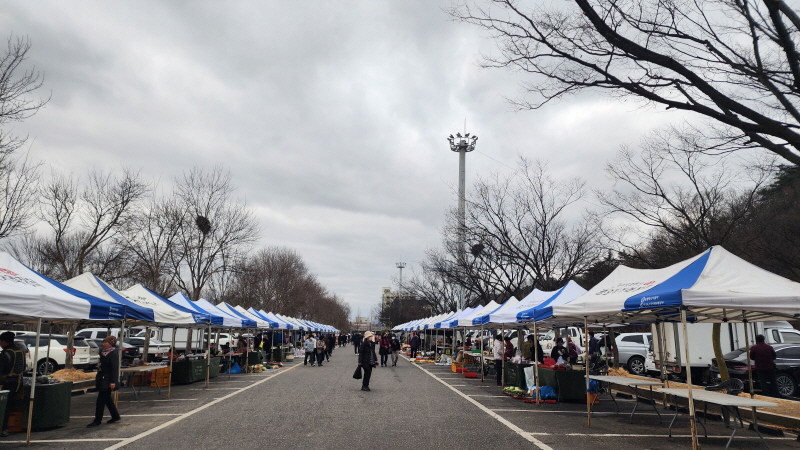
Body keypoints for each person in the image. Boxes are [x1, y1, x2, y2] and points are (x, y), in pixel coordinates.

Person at [88, 336, 121, 428]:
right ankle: (115, 416)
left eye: (105, 342)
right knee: (107, 399)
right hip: (102, 379)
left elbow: (114, 369)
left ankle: (97, 420)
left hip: (108, 380)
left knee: (100, 401)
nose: (103, 344)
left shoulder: (113, 354)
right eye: (103, 342)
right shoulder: (103, 353)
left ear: (111, 344)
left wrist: (113, 381)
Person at [0, 332, 23, 437]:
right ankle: (6, 428)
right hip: (18, 382)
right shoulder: (20, 351)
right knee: (9, 406)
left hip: (7, 383)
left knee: (3, 407)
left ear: (3, 341)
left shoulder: (6, 353)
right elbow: (23, 367)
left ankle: (3, 428)